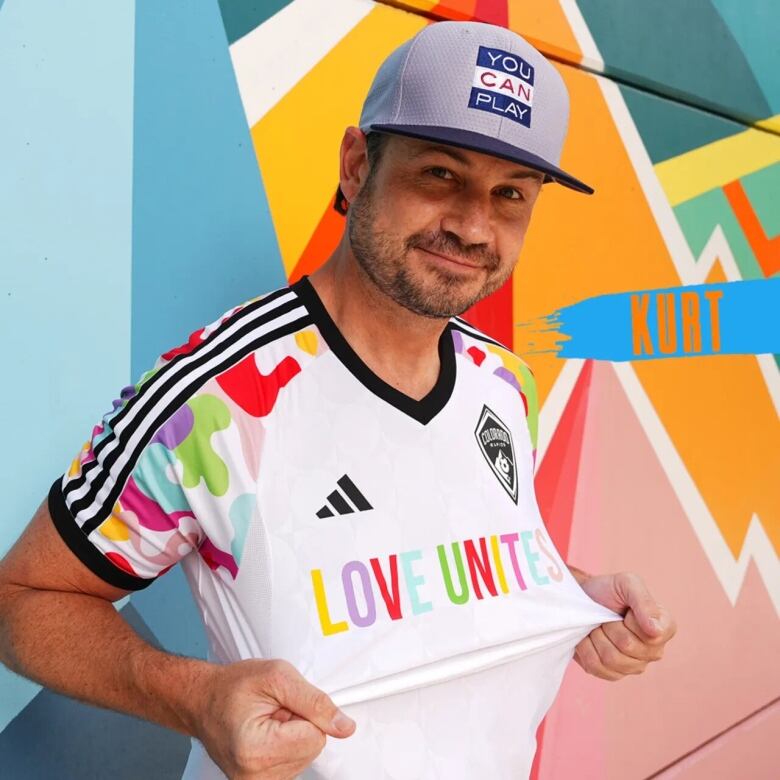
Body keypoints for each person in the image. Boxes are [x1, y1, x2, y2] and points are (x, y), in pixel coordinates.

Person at [0, 19, 676, 780]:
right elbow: (23, 597)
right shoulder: (217, 397)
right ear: (357, 165)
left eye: (510, 194)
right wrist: (195, 697)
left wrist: (573, 596)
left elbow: (442, 567)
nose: (472, 226)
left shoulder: (503, 382)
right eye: (440, 176)